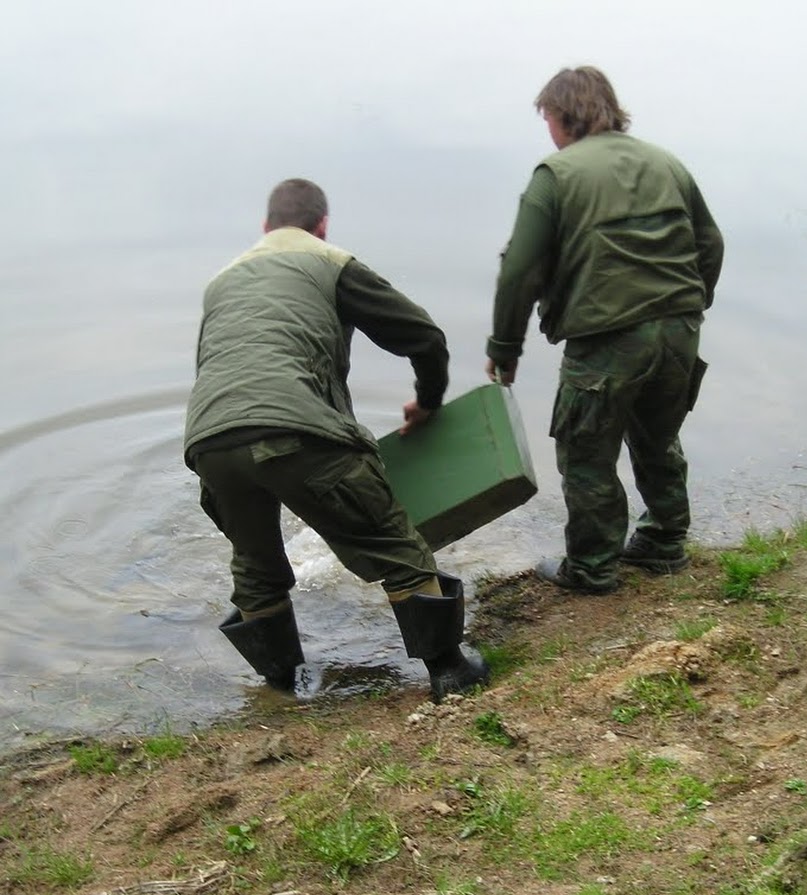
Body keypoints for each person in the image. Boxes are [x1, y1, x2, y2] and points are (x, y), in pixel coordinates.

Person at [184, 178, 489, 702]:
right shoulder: (330, 262)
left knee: (255, 563)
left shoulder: (221, 282)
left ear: (264, 227)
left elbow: (223, 368)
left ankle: (284, 683)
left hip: (208, 438)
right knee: (393, 541)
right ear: (322, 226)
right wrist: (430, 403)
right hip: (293, 426)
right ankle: (449, 671)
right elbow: (424, 337)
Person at [485, 66, 724, 593]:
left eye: (546, 117)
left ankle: (592, 568)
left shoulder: (557, 174)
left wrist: (505, 347)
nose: (546, 128)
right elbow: (711, 244)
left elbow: (520, 269)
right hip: (680, 332)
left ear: (561, 115)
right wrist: (689, 306)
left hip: (609, 339)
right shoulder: (667, 163)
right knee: (658, 437)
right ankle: (664, 542)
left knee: (586, 452)